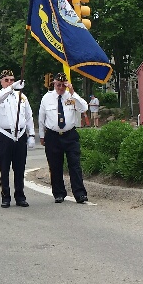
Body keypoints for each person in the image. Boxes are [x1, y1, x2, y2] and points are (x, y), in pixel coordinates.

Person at [38, 73, 89, 204]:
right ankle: (59, 193)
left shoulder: (71, 97)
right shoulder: (47, 97)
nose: (61, 88)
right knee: (55, 166)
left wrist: (73, 92)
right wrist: (42, 136)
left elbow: (84, 108)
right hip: (53, 135)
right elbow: (41, 118)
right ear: (54, 84)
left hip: (70, 135)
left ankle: (80, 193)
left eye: (63, 85)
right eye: (58, 85)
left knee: (75, 165)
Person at [0, 69, 36, 208]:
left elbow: (28, 116)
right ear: (1, 81)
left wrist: (32, 134)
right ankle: (6, 196)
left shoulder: (22, 96)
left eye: (12, 79)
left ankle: (20, 196)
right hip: (4, 135)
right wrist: (11, 88)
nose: (9, 82)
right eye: (7, 80)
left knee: (19, 167)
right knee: (4, 168)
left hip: (20, 135)